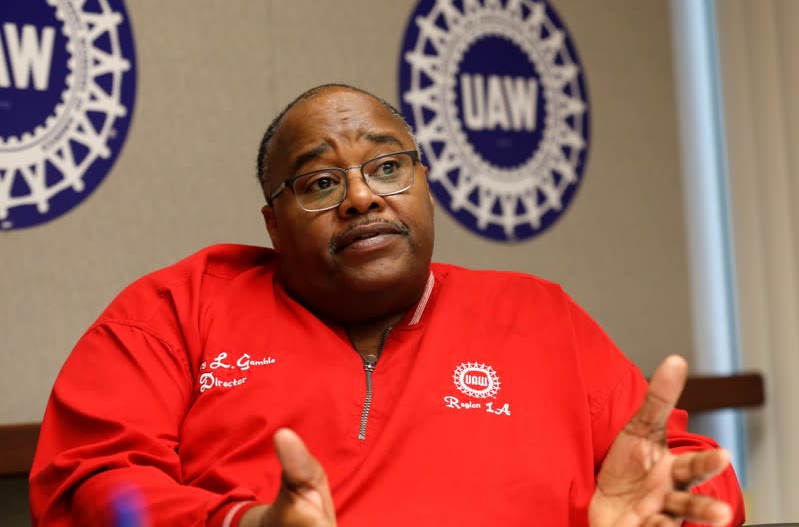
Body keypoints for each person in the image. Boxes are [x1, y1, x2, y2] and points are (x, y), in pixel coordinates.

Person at [29, 84, 745, 527]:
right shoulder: (177, 309)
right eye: (317, 182)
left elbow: (681, 477)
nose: (362, 196)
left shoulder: (539, 317)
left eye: (387, 166)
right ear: (272, 224)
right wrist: (239, 524)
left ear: (425, 186)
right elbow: (89, 485)